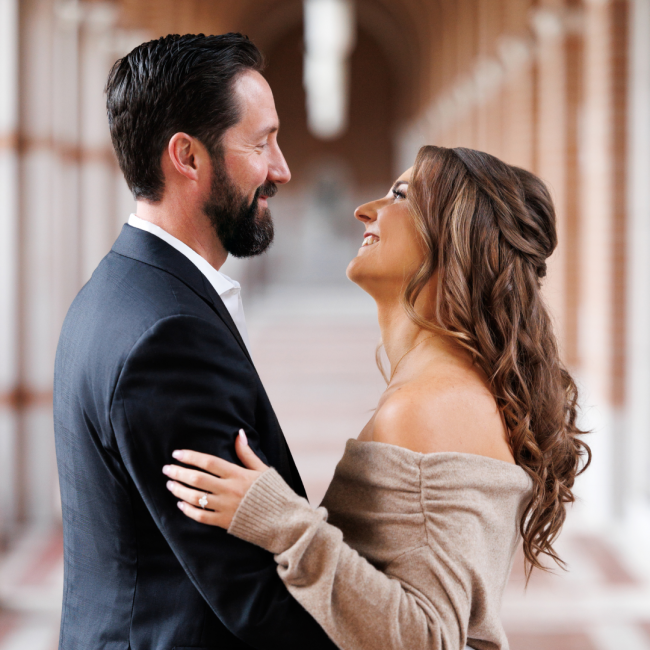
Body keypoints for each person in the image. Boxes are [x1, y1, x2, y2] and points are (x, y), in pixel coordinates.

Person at [164, 146, 592, 650]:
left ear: (456, 238)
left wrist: (281, 522)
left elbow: (427, 638)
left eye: (401, 195)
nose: (364, 209)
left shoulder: (431, 407)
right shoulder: (438, 391)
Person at [53, 33, 338, 650]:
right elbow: (255, 597)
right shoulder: (169, 337)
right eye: (261, 143)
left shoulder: (117, 290)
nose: (282, 168)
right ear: (187, 156)